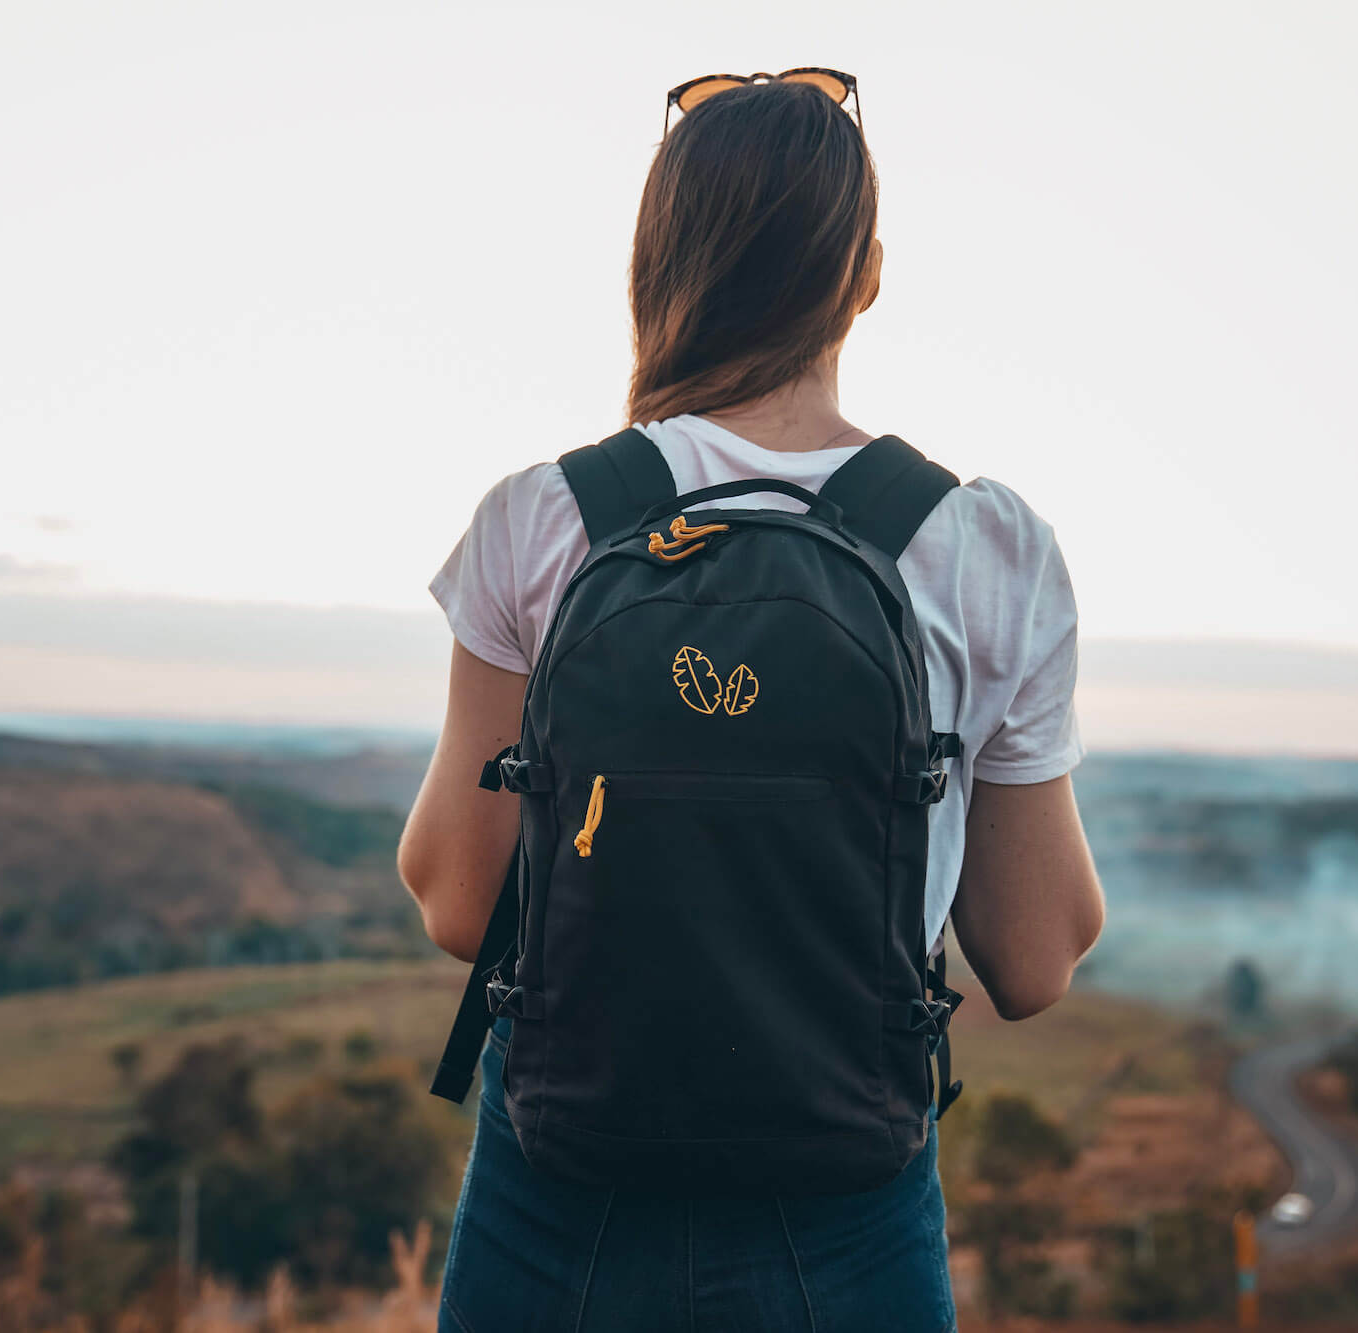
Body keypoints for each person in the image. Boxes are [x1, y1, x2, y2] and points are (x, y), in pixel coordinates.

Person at [398, 68, 1106, 1333]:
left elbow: (458, 902)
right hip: (842, 1188)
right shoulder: (982, 546)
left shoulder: (541, 519)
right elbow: (1035, 955)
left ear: (651, 266)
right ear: (864, 276)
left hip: (560, 1177)